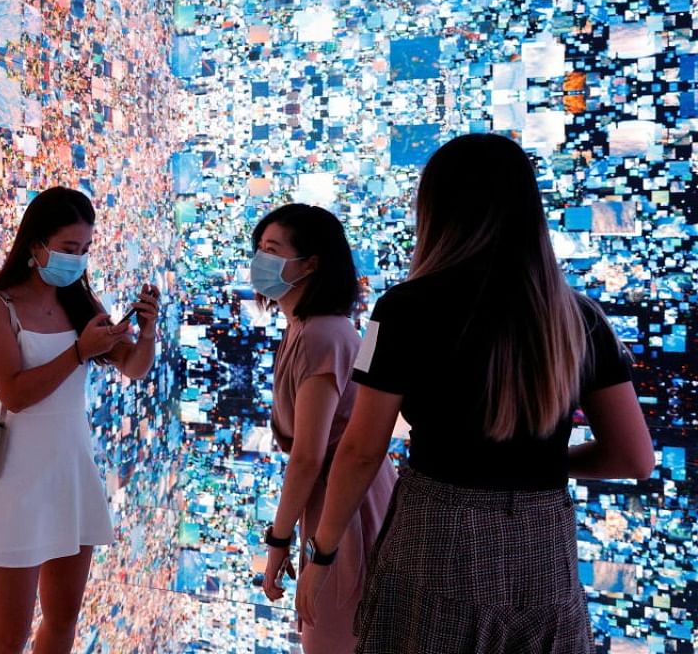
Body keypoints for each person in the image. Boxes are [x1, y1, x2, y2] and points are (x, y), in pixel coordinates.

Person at [294, 134, 655, 653]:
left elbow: (361, 450)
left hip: (437, 541)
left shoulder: (403, 310)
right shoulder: (578, 318)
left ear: (436, 211)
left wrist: (321, 554)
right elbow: (634, 456)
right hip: (544, 547)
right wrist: (538, 462)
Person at [0, 186, 160, 654]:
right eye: (70, 249)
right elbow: (14, 394)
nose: (79, 259)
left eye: (86, 249)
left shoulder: (81, 303)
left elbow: (133, 367)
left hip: (71, 473)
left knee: (62, 621)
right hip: (18, 481)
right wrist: (78, 353)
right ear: (35, 245)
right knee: (8, 636)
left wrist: (147, 332)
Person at [249, 204, 396, 653]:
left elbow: (308, 457)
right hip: (335, 501)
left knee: (332, 632)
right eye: (258, 249)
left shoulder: (320, 336)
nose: (260, 261)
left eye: (272, 250)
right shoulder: (302, 328)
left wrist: (278, 541)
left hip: (344, 509)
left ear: (311, 263)